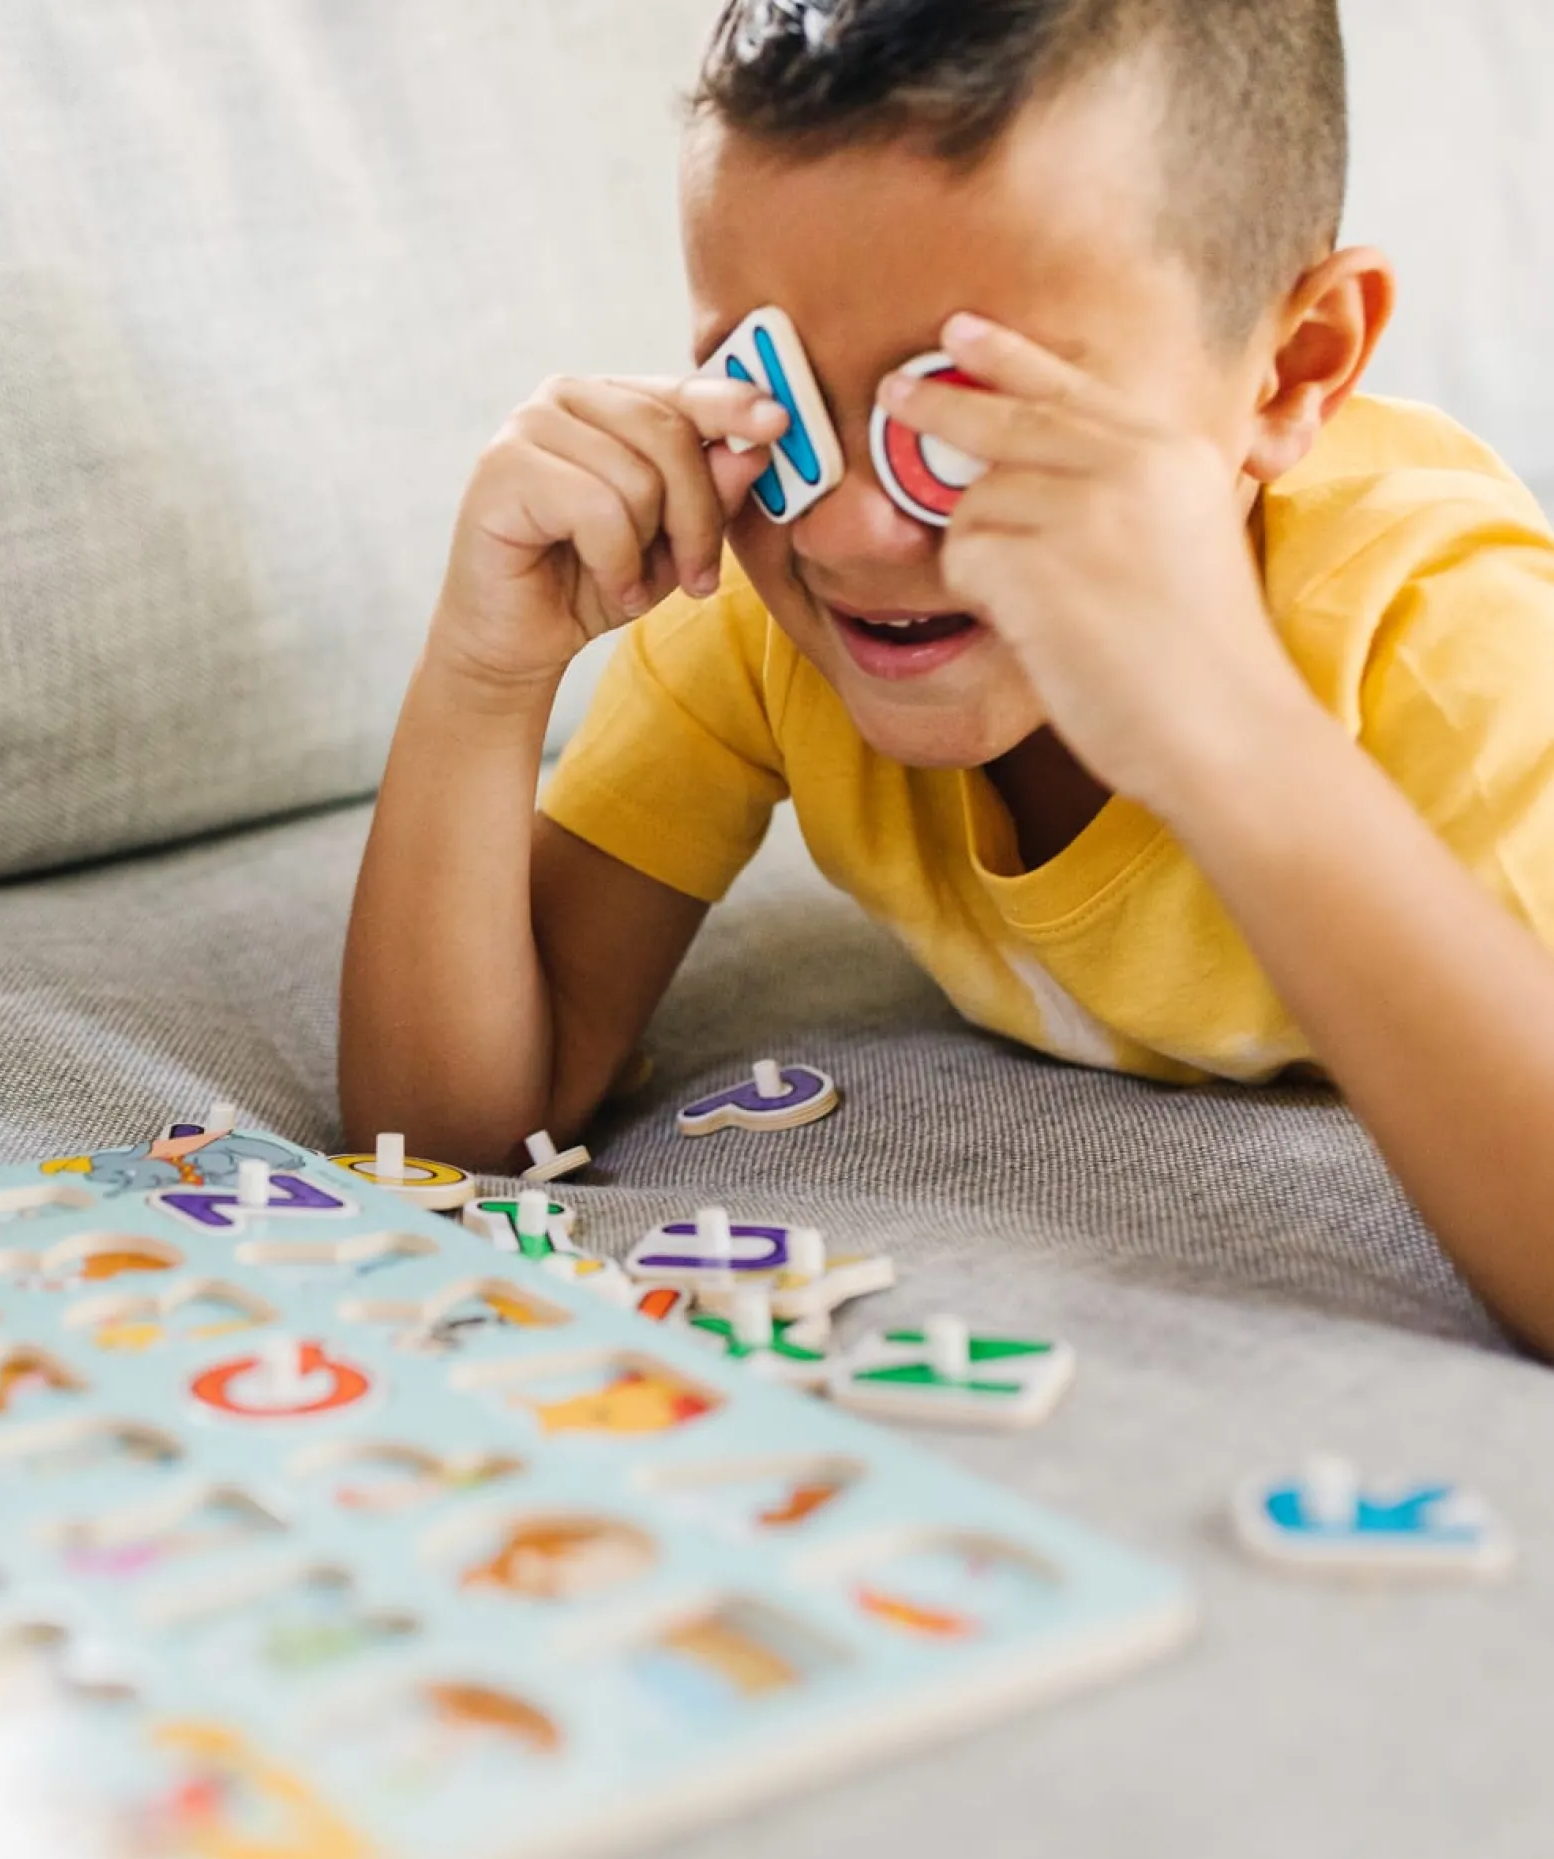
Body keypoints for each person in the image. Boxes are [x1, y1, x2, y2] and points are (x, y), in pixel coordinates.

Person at [340, 0, 1554, 1350]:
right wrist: (481, 672)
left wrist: (1228, 731)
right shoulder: (756, 600)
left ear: (1295, 367)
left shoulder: (1443, 647)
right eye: (778, 398)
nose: (853, 531)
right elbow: (443, 1139)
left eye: (969, 421)